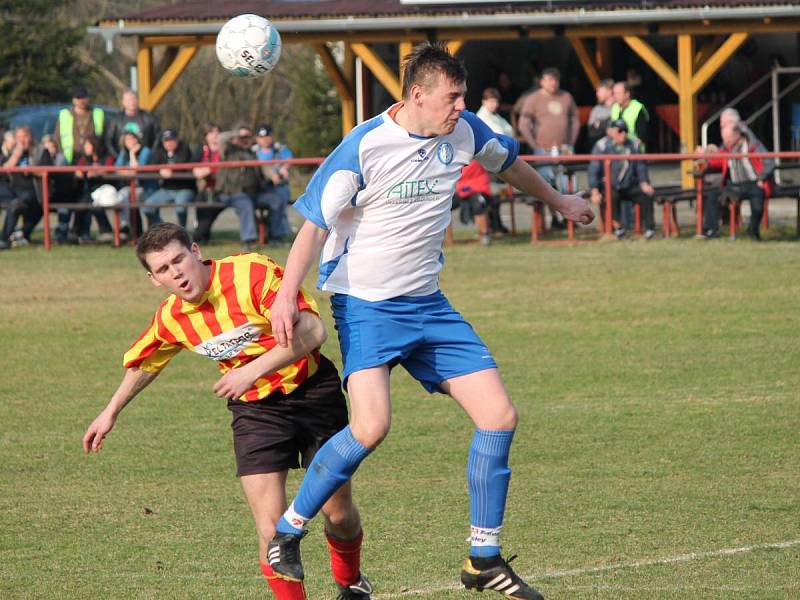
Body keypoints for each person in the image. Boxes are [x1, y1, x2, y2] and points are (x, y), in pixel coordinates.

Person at [264, 43, 593, 600]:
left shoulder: (464, 132)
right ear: (417, 94)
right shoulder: (365, 146)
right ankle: (287, 531)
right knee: (371, 428)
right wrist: (285, 296)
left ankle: (483, 558)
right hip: (366, 306)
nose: (460, 106)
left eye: (463, 96)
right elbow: (314, 227)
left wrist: (559, 202)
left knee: (499, 415)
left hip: (430, 305)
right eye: (452, 96)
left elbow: (508, 164)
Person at [82, 223, 373, 600]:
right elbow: (145, 363)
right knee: (270, 530)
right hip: (255, 412)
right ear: (154, 279)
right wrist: (111, 411)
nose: (177, 273)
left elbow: (314, 331)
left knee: (337, 511)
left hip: (313, 393)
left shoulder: (250, 273)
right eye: (164, 270)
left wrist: (250, 371)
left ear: (196, 250)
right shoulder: (172, 317)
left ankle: (351, 584)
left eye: (179, 260)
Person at [518, 68, 580, 228]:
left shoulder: (566, 97)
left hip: (564, 149)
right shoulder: (533, 98)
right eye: (549, 79)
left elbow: (575, 119)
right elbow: (523, 123)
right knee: (547, 186)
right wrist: (534, 145)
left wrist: (571, 142)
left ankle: (570, 218)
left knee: (567, 183)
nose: (553, 83)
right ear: (542, 81)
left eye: (555, 79)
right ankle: (553, 218)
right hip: (543, 150)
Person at [700, 123, 774, 240]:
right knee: (712, 196)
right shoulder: (726, 148)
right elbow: (717, 160)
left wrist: (761, 178)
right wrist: (707, 157)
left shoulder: (754, 145)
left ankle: (753, 230)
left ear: (737, 135)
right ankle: (710, 230)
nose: (725, 141)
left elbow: (770, 162)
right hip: (734, 185)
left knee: (758, 206)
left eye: (727, 139)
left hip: (753, 183)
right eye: (724, 139)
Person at [192, 123, 258, 249]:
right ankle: (201, 237)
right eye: (241, 138)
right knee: (205, 209)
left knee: (246, 204)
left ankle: (248, 241)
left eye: (245, 138)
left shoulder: (248, 153)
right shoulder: (225, 150)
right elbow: (222, 138)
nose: (242, 141)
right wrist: (239, 133)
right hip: (220, 193)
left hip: (238, 193)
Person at [588, 119, 656, 240]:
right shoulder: (601, 145)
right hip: (610, 185)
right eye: (620, 131)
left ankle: (650, 229)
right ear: (610, 132)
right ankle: (618, 229)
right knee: (611, 195)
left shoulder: (633, 144)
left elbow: (641, 165)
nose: (623, 134)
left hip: (628, 184)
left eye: (625, 130)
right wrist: (594, 190)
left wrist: (644, 182)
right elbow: (594, 169)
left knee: (647, 194)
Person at [0, 126, 52, 249]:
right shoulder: (12, 151)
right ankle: (6, 238)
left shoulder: (41, 151)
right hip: (13, 191)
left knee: (28, 204)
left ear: (31, 137)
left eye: (25, 136)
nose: (22, 140)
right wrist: (16, 156)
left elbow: (48, 172)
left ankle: (17, 235)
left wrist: (31, 170)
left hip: (35, 190)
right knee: (15, 204)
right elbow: (4, 170)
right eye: (19, 137)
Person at [143, 129, 196, 229]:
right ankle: (165, 229)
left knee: (180, 208)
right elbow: (151, 166)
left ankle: (182, 233)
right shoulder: (160, 151)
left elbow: (184, 164)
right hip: (167, 189)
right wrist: (160, 171)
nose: (169, 143)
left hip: (184, 188)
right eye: (166, 141)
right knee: (147, 207)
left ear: (177, 140)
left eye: (172, 140)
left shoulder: (185, 148)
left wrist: (171, 171)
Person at [69, 135, 116, 243]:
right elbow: (78, 171)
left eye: (87, 145)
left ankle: (102, 231)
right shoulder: (84, 158)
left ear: (95, 146)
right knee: (84, 202)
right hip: (89, 191)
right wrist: (85, 172)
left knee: (92, 202)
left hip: (105, 189)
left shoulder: (107, 157)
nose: (85, 147)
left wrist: (96, 172)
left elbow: (109, 169)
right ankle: (80, 233)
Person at [253, 124, 293, 244]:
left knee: (280, 199)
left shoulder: (280, 149)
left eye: (267, 136)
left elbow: (288, 160)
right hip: (260, 188)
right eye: (261, 137)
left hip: (278, 186)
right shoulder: (252, 151)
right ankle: (264, 233)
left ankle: (276, 235)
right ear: (257, 138)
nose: (264, 139)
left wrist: (284, 168)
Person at [115, 126, 156, 237]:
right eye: (128, 139)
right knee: (122, 195)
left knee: (133, 197)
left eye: (133, 138)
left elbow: (136, 171)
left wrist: (132, 154)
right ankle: (125, 226)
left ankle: (138, 233)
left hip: (147, 188)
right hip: (132, 188)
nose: (132, 141)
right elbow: (117, 170)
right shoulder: (123, 153)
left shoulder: (145, 151)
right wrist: (129, 171)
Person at [54, 86, 107, 166]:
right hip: (69, 160)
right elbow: (57, 137)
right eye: (78, 98)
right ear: (73, 100)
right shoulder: (65, 115)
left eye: (84, 97)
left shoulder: (97, 114)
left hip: (92, 159)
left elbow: (104, 138)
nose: (81, 100)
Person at [105, 88, 161, 158]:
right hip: (123, 161)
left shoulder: (149, 118)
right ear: (123, 102)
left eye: (134, 99)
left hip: (145, 160)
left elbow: (157, 137)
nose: (132, 102)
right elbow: (109, 140)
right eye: (129, 100)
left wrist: (150, 155)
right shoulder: (116, 120)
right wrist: (118, 157)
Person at [610, 81, 649, 150]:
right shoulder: (614, 107)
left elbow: (642, 137)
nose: (615, 96)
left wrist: (627, 144)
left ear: (627, 94)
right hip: (617, 148)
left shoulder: (638, 108)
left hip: (634, 150)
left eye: (618, 93)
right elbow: (611, 129)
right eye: (614, 93)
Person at [586, 79, 615, 149]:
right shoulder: (596, 110)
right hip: (600, 149)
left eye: (599, 91)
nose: (597, 94)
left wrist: (600, 124)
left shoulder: (619, 108)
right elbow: (592, 131)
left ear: (609, 91)